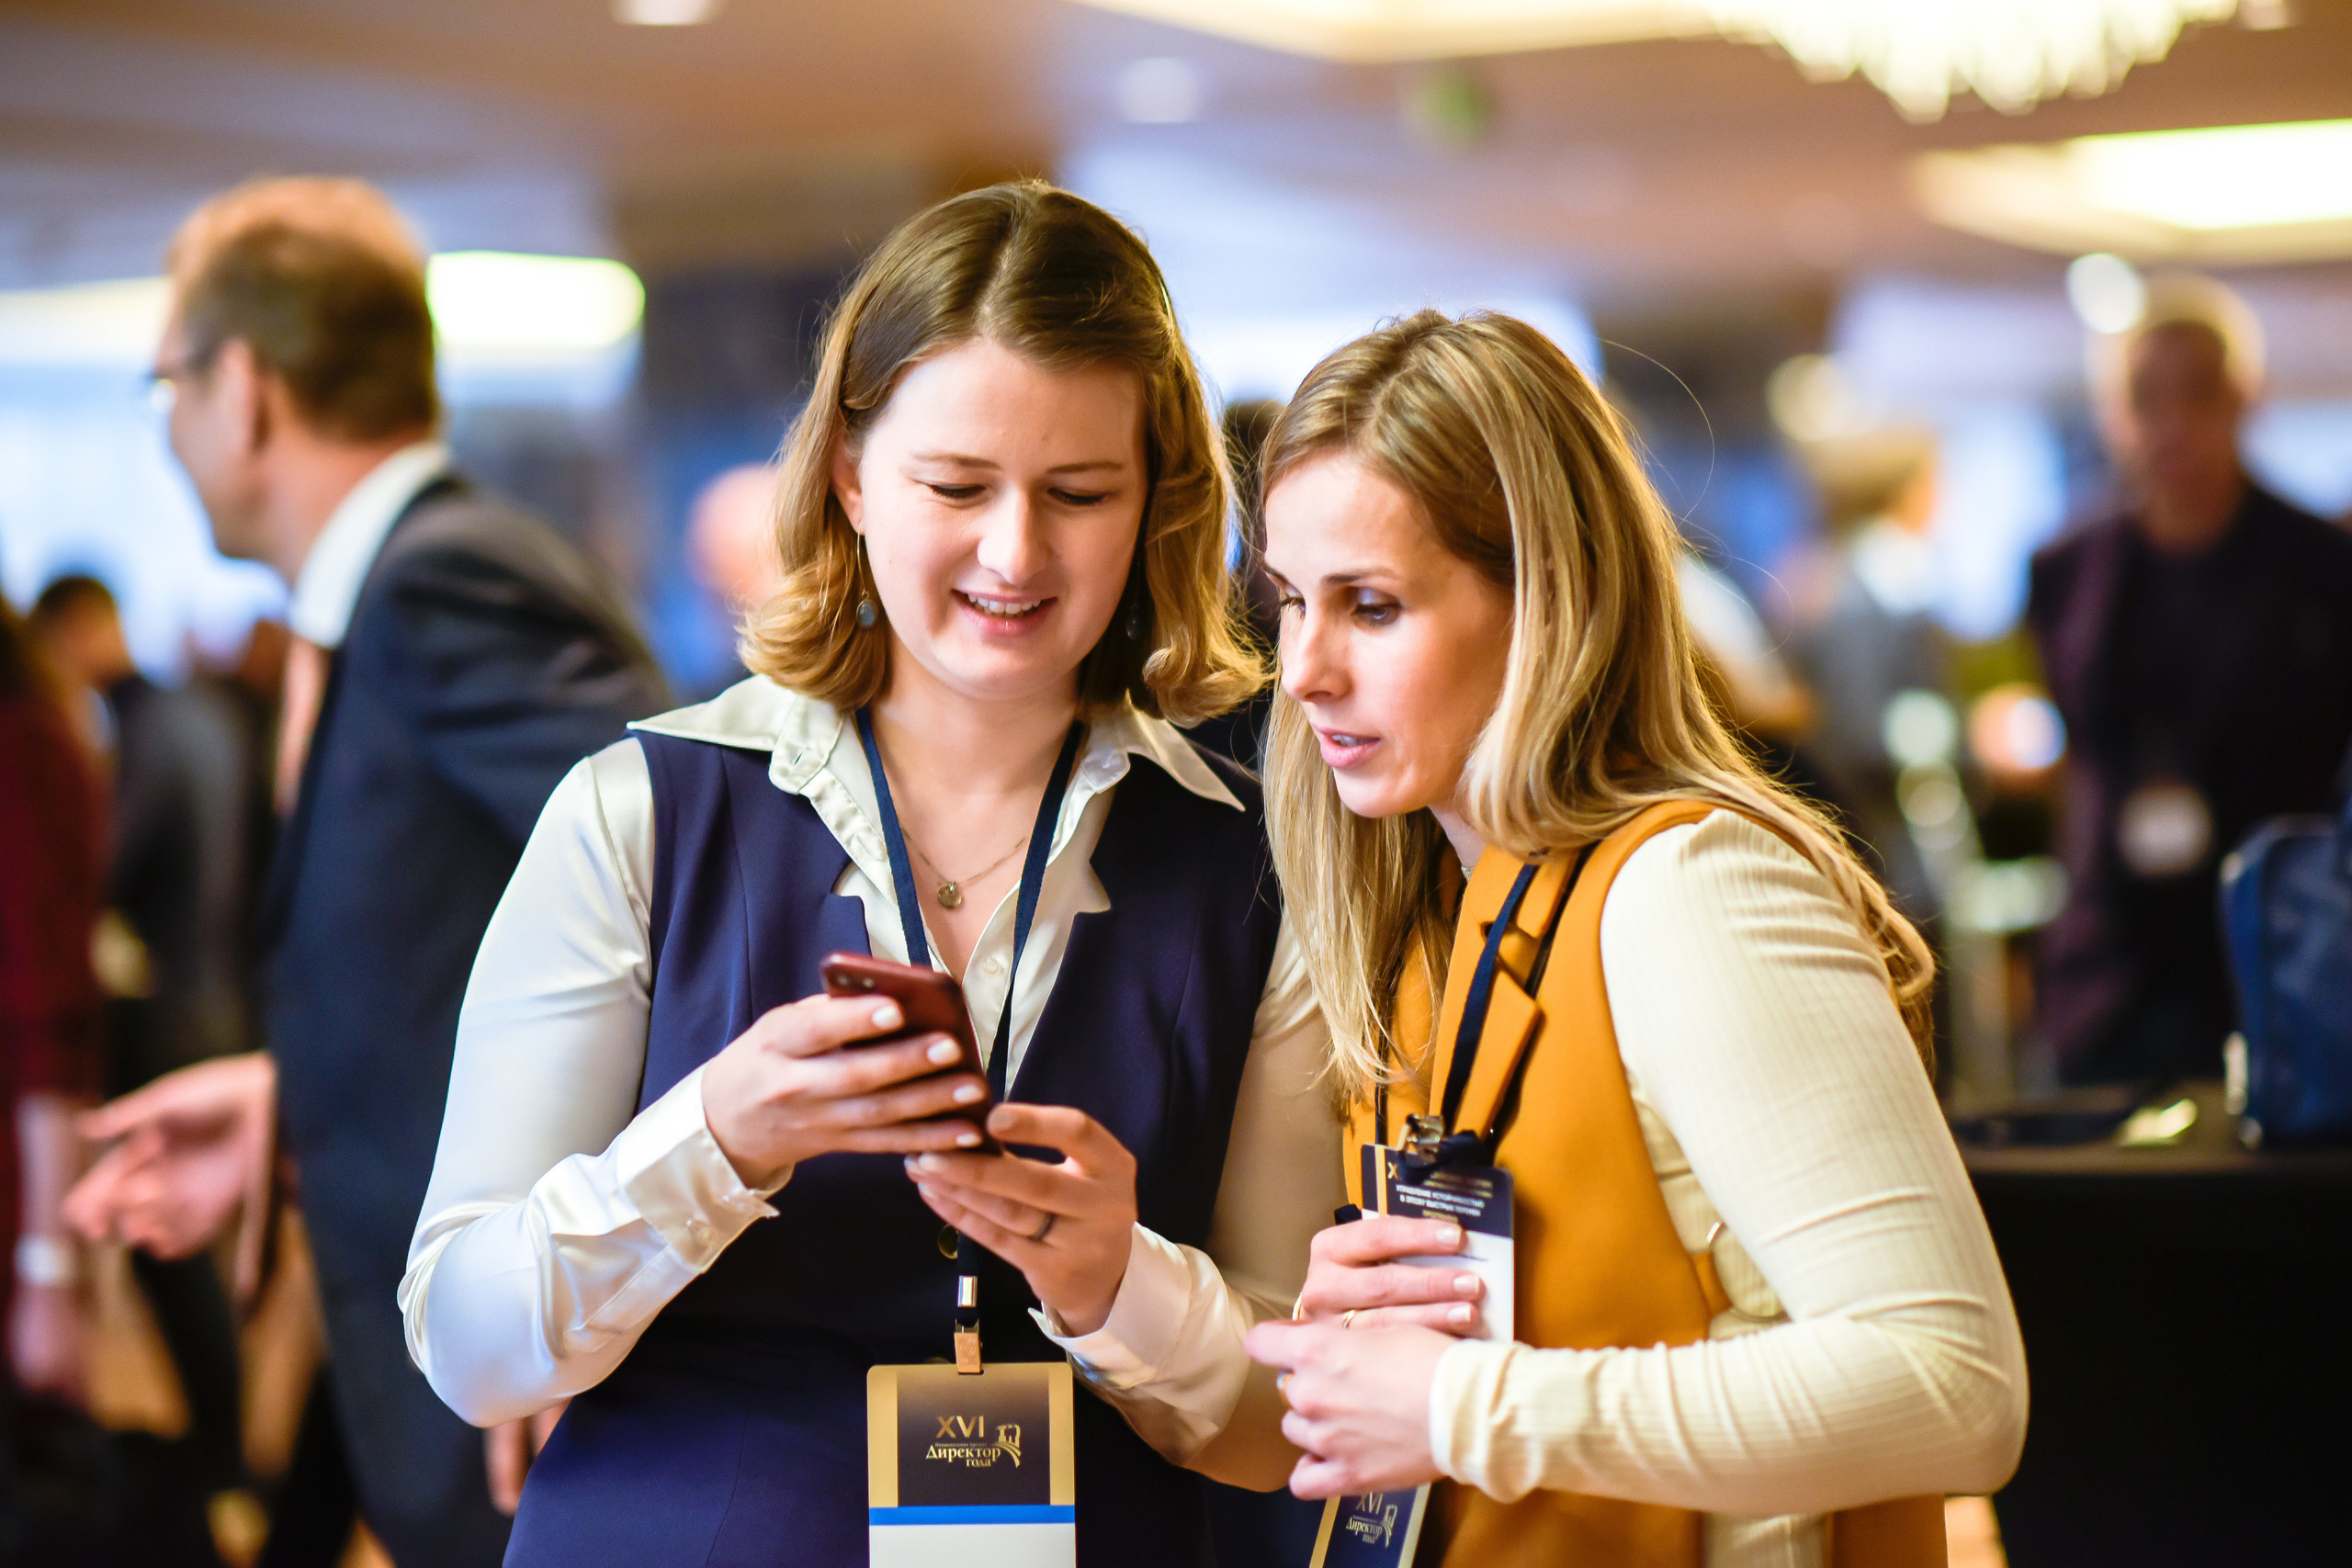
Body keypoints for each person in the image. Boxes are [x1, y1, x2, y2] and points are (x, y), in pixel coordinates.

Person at [398, 181, 1340, 1568]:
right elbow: (472, 1348)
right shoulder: (639, 813)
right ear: (847, 474)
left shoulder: (1250, 865)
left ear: (1154, 505)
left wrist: (1116, 1277)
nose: (1015, 553)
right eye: (955, 486)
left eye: (1079, 493)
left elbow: (1277, 1425)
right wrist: (714, 1135)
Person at [1238, 311, 2025, 1565]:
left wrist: (1460, 1405)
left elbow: (1953, 1382)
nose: (1305, 670)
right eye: (1290, 602)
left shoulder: (1691, 888)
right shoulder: (1429, 911)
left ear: (1543, 598)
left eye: (1372, 606)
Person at [62, 176, 668, 1566]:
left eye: (168, 383)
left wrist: (576, 1291)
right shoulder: (391, 589)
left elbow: (686, 886)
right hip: (434, 1360)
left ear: (244, 388)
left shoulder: (440, 579)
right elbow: (465, 947)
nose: (170, 429)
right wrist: (289, 1098)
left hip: (521, 1363)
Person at [2028, 274, 2352, 1085]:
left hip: (2278, 943)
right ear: (2113, 413)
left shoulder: (2322, 566)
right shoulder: (2069, 569)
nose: (2172, 424)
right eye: (2145, 398)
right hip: (2114, 953)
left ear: (2247, 400)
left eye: (2199, 394)